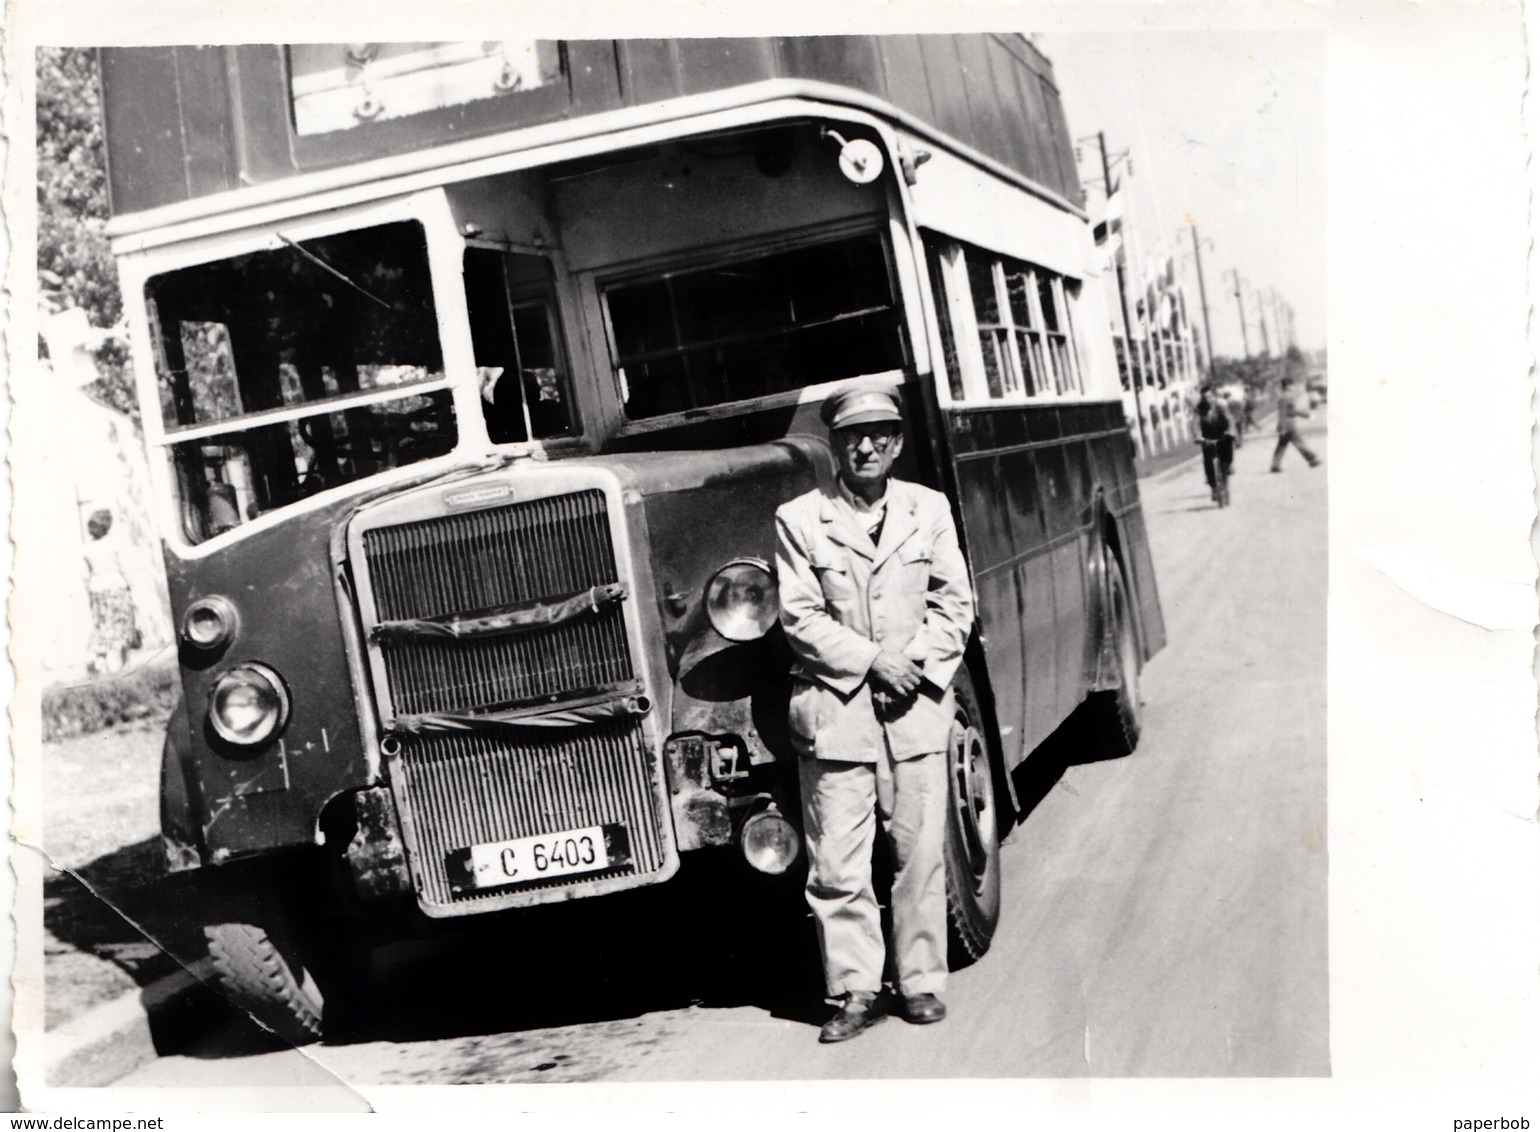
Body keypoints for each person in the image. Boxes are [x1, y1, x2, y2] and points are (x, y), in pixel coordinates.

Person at [774, 385, 976, 1044]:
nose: (866, 447)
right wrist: (871, 662)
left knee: (918, 853)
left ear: (897, 441)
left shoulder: (929, 509)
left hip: (913, 709)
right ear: (832, 444)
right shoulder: (800, 520)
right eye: (853, 436)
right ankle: (855, 991)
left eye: (880, 435)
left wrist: (911, 664)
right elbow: (799, 617)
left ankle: (921, 982)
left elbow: (955, 606)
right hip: (838, 716)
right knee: (837, 863)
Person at [83, 508, 139, 675]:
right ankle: (125, 665)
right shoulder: (114, 544)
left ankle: (102, 663)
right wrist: (133, 590)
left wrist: (90, 594)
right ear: (108, 526)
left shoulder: (86, 548)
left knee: (103, 626)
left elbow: (85, 576)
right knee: (123, 626)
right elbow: (126, 569)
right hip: (117, 588)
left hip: (98, 590)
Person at [1270, 375, 1321, 472]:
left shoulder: (1283, 396)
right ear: (1288, 386)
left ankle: (1275, 465)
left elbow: (1283, 413)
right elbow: (1291, 411)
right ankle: (1313, 460)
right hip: (1289, 424)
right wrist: (1307, 415)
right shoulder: (1288, 396)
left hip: (1284, 424)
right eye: (1292, 385)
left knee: (1282, 445)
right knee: (1299, 442)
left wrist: (1280, 426)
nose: (1294, 387)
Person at [1195, 388, 1236, 503]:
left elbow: (1230, 420)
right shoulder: (1200, 409)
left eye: (1209, 396)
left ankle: (1227, 475)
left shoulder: (1221, 406)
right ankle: (1213, 487)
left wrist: (1231, 431)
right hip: (1208, 438)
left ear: (1213, 396)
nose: (1207, 399)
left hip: (1222, 435)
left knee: (1226, 456)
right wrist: (1198, 436)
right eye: (1204, 397)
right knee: (1208, 462)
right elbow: (1196, 424)